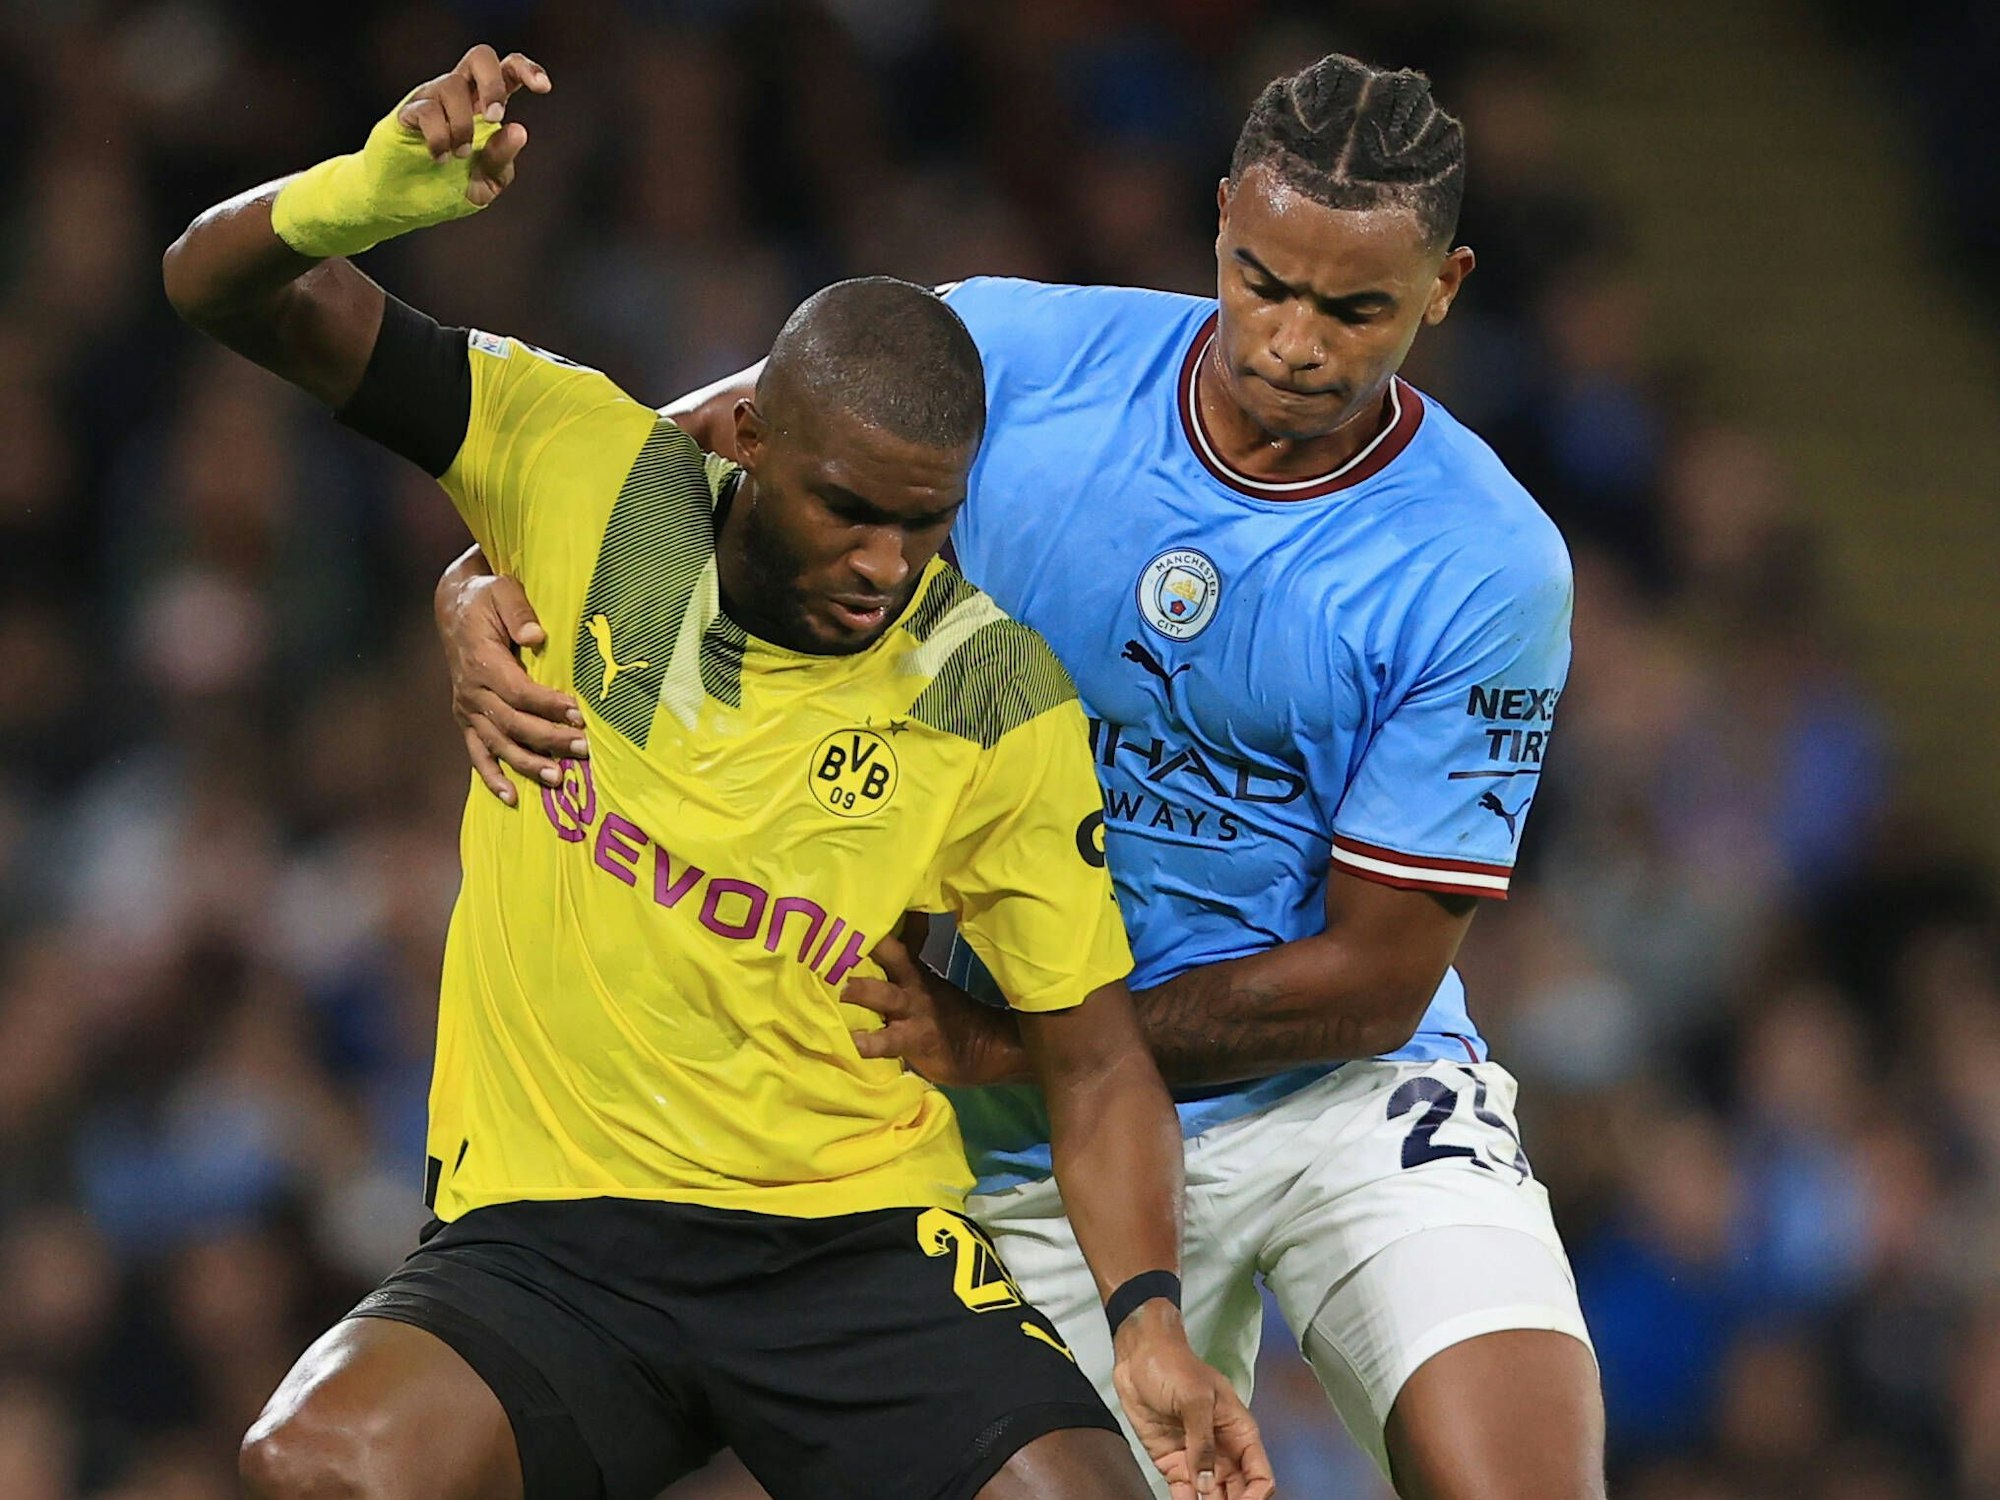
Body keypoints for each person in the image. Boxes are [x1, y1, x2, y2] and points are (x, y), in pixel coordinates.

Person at [438, 50, 1605, 1500]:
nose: (1293, 338)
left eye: (1354, 308)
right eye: (1262, 279)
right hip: (1029, 1147)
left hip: (1337, 1100)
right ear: (1221, 214)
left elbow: (1370, 980)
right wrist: (467, 591)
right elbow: (637, 473)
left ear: (1446, 285)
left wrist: (1008, 1040)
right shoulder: (1010, 353)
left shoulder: (1487, 561)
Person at [162, 44, 1271, 1500]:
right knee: (320, 1461)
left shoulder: (993, 695)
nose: (885, 566)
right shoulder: (577, 466)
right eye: (849, 510)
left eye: (925, 524)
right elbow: (211, 284)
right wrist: (365, 197)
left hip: (848, 1238)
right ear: (747, 434)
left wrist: (1149, 1330)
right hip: (554, 1230)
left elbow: (1096, 1051)